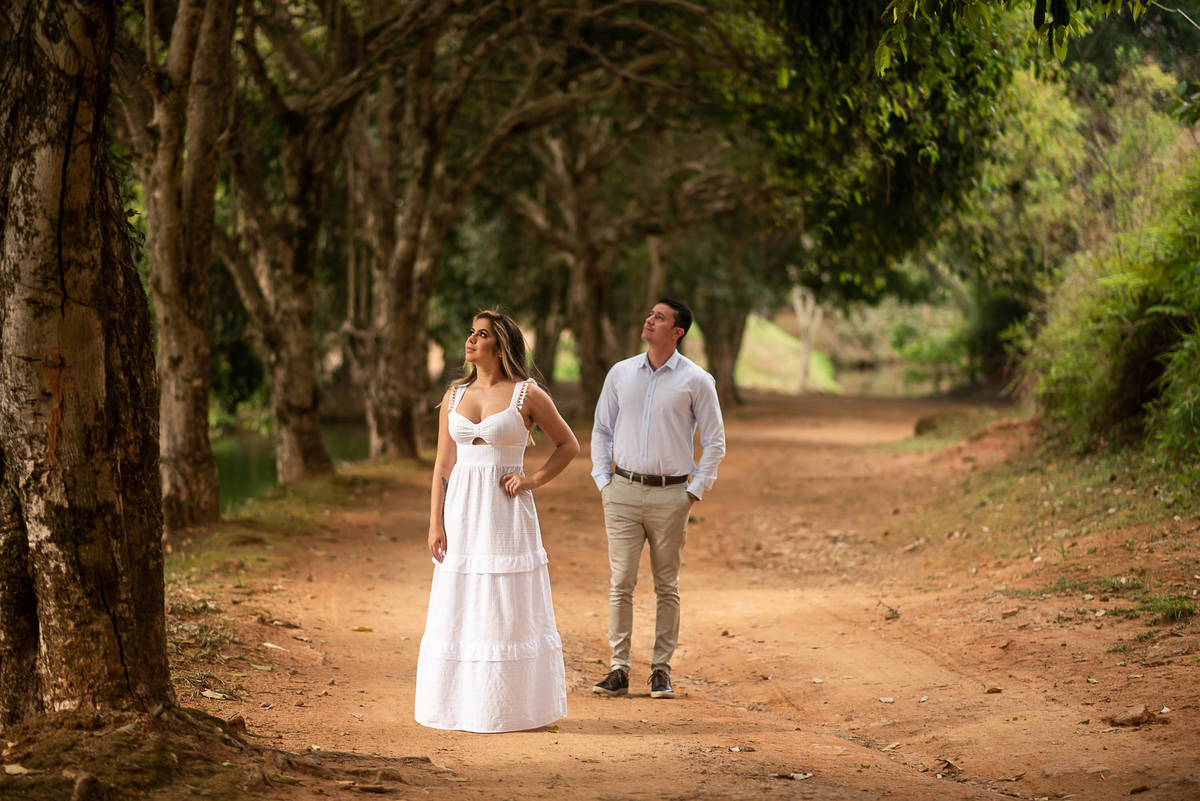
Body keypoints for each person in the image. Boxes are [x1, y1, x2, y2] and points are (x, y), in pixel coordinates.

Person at [415, 310, 579, 732]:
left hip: (506, 514)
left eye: (481, 334)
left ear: (500, 346)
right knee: (463, 601)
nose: (471, 340)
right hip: (463, 513)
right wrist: (435, 522)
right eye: (470, 332)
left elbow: (568, 444)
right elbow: (443, 464)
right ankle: (459, 706)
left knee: (506, 604)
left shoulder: (528, 394)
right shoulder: (454, 395)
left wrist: (531, 480)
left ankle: (508, 708)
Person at [590, 298, 726, 699]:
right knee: (621, 583)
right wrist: (603, 480)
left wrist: (694, 491)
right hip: (622, 491)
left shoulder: (697, 380)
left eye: (659, 318)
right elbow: (601, 429)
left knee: (667, 585)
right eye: (649, 314)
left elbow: (715, 442)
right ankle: (618, 669)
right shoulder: (620, 373)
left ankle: (661, 671)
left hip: (672, 496)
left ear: (677, 332)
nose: (649, 320)